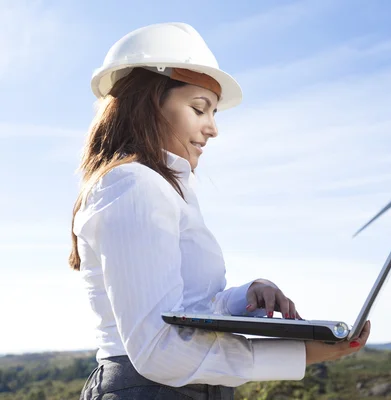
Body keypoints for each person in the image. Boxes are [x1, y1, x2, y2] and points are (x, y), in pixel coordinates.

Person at [70, 22, 371, 399]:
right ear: (150, 103)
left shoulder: (161, 188)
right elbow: (157, 349)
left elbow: (181, 309)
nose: (213, 129)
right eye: (200, 109)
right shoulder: (133, 184)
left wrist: (244, 296)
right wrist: (300, 354)